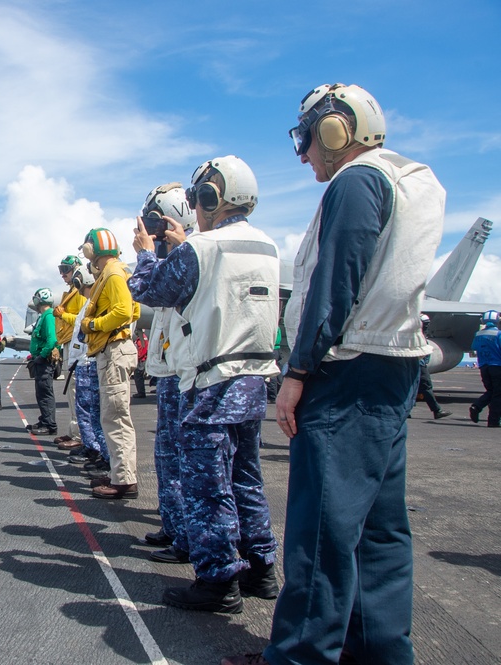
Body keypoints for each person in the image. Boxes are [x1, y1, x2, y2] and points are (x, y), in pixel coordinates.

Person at [224, 84, 447, 665]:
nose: (303, 155)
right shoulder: (415, 178)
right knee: (379, 530)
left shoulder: (357, 180)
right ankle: (379, 651)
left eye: (306, 139)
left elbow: (336, 281)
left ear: (335, 130)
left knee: (320, 529)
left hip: (343, 371)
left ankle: (299, 654)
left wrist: (298, 370)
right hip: (394, 367)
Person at [131, 156, 280, 614]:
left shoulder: (201, 249)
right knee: (246, 478)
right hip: (254, 379)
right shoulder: (268, 245)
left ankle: (217, 582)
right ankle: (262, 567)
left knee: (207, 484)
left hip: (212, 382)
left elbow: (148, 290)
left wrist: (144, 251)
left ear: (212, 198)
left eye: (199, 199)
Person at [131, 182, 197, 561]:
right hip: (171, 366)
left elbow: (149, 289)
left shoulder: (189, 255)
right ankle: (174, 526)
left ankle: (185, 535)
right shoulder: (178, 255)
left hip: (182, 369)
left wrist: (146, 255)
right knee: (166, 454)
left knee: (179, 456)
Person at [80, 228, 141, 500]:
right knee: (113, 416)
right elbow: (135, 309)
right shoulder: (116, 272)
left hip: (114, 351)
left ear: (94, 249)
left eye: (87, 245)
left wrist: (93, 324)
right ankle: (120, 473)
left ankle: (125, 481)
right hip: (113, 350)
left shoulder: (114, 273)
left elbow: (125, 311)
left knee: (115, 417)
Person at [63, 265, 110, 473]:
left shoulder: (95, 304)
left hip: (88, 361)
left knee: (92, 411)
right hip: (81, 362)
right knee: (85, 411)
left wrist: (82, 358)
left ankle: (97, 450)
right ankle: (91, 447)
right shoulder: (88, 305)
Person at [53, 255, 87, 446]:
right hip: (69, 343)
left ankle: (80, 436)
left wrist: (63, 315)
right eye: (61, 269)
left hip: (78, 345)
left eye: (65, 269)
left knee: (76, 390)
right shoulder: (73, 291)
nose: (62, 274)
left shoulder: (81, 292)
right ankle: (74, 431)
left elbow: (82, 320)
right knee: (71, 391)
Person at [26, 288, 59, 434]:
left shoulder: (49, 316)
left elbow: (52, 339)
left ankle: (49, 425)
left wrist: (42, 355)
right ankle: (44, 420)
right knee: (41, 392)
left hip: (44, 361)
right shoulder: (43, 316)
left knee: (45, 392)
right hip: (40, 360)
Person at [470, 309, 501, 427]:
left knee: (491, 391)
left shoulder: (478, 334)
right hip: (497, 366)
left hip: (484, 367)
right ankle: (493, 421)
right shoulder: (498, 334)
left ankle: (476, 406)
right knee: (498, 394)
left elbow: (474, 347)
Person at [416, 315, 450, 418]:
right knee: (426, 387)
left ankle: (406, 411)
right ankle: (436, 410)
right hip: (419, 364)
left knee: (411, 388)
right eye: (426, 324)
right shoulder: (419, 336)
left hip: (415, 364)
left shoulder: (416, 335)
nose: (427, 326)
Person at [133, 329, 148, 398]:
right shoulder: (143, 338)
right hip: (142, 359)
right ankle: (141, 392)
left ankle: (141, 393)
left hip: (141, 360)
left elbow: (141, 350)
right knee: (139, 376)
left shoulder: (141, 339)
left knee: (138, 376)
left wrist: (137, 358)